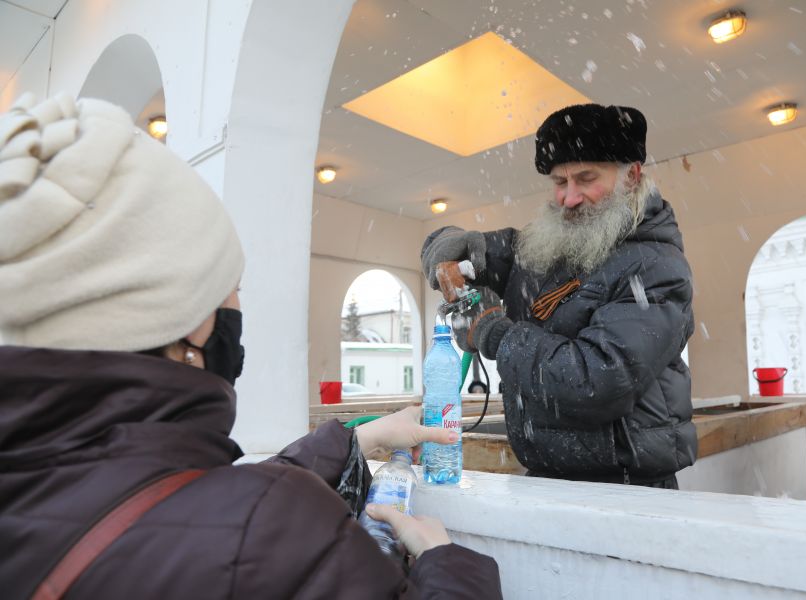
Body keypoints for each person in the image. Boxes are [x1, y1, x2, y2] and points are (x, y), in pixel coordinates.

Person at [0, 93, 502, 599]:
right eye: (230, 286)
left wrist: (358, 438)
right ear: (183, 320)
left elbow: (199, 513)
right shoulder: (275, 530)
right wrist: (446, 563)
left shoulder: (33, 486)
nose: (238, 307)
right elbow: (249, 524)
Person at [421, 104, 696, 489]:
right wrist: (447, 242)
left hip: (625, 488)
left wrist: (494, 333)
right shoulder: (553, 247)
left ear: (632, 176)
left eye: (586, 179)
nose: (569, 198)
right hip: (548, 476)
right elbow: (477, 249)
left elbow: (597, 381)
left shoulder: (657, 267)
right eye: (559, 182)